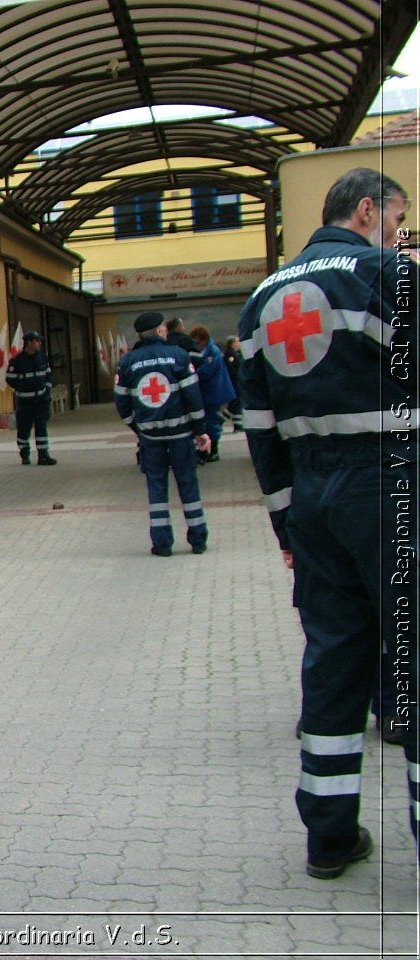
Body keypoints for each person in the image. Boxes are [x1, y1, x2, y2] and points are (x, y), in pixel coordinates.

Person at [237, 167, 418, 879]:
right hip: (394, 485)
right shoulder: (387, 274)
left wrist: (288, 527)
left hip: (313, 497)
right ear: (368, 210)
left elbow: (257, 427)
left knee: (335, 661)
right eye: (398, 220)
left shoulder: (261, 299)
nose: (400, 235)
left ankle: (329, 838)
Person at [114, 311, 212, 556]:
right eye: (164, 329)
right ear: (159, 331)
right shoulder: (178, 356)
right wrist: (200, 431)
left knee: (156, 487)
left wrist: (137, 427)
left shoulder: (128, 362)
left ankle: (162, 543)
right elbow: (193, 397)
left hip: (150, 438)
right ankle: (198, 540)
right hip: (180, 434)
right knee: (188, 483)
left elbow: (122, 402)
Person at [5, 330, 57, 465]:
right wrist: (22, 387)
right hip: (25, 401)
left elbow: (48, 374)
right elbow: (10, 379)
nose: (39, 343)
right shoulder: (17, 361)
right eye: (36, 341)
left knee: (41, 426)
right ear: (29, 343)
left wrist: (47, 389)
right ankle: (24, 454)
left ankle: (43, 455)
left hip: (41, 399)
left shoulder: (42, 357)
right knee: (24, 428)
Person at [188, 324, 236, 463]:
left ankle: (214, 450)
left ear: (203, 340)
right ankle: (206, 450)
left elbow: (206, 372)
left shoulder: (212, 352)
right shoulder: (207, 350)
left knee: (211, 422)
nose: (196, 345)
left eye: (197, 342)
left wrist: (191, 374)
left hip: (213, 393)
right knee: (207, 422)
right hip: (208, 393)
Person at [222, 335, 244, 432]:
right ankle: (220, 420)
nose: (239, 343)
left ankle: (238, 424)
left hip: (236, 383)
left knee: (237, 404)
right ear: (233, 343)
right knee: (235, 404)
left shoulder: (236, 354)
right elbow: (231, 370)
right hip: (234, 383)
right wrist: (239, 378)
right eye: (237, 341)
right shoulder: (230, 355)